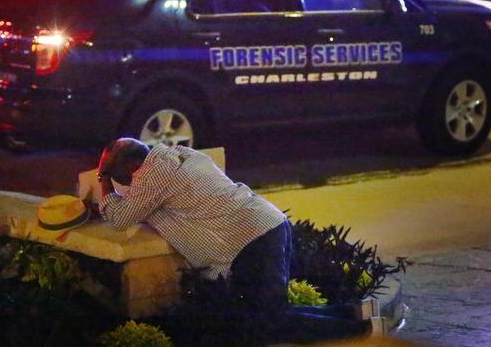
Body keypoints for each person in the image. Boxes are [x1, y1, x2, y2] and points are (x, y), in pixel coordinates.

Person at [97, 139, 368, 341]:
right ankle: (356, 313)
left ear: (133, 165)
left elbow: (120, 218)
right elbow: (150, 204)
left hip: (250, 239)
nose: (125, 183)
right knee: (271, 312)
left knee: (267, 322)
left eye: (117, 174)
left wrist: (103, 181)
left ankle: (364, 330)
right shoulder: (178, 155)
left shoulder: (152, 173)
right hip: (265, 227)